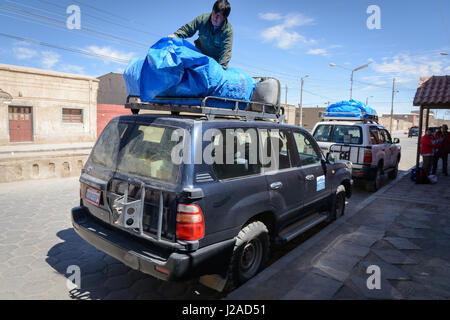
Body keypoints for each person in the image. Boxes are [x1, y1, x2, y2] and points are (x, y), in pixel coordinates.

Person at [168, 0, 233, 69]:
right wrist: (176, 35)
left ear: (224, 18)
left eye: (218, 16)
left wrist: (221, 68)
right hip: (199, 55)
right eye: (213, 13)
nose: (214, 17)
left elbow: (226, 52)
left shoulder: (228, 31)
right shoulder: (203, 19)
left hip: (214, 62)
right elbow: (188, 29)